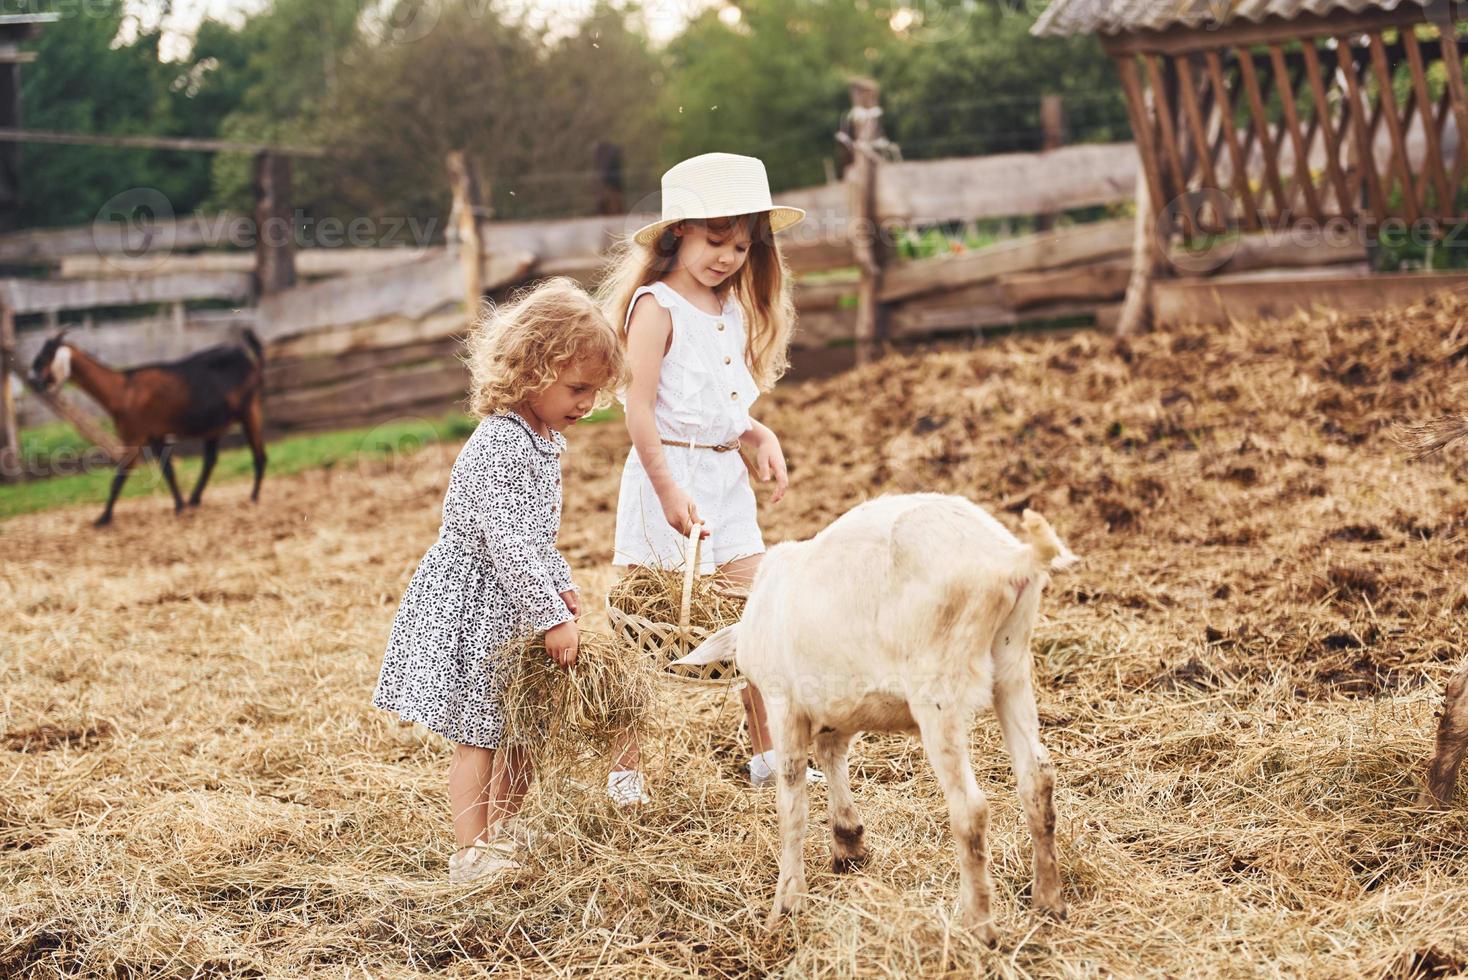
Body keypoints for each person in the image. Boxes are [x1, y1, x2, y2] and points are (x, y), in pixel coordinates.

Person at [372, 278, 626, 883]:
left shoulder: (541, 440)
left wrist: (561, 586)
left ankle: (505, 833)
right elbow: (508, 544)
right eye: (576, 387)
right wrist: (553, 619)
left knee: (521, 727)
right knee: (480, 732)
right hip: (475, 605)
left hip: (512, 604)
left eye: (595, 390)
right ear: (533, 368)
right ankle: (470, 850)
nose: (587, 402)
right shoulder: (501, 444)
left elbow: (536, 538)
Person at [598, 152, 823, 791]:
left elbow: (717, 406)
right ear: (679, 233)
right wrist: (668, 489)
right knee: (641, 628)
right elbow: (639, 409)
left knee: (755, 617)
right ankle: (625, 773)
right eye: (714, 240)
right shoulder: (656, 306)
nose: (726, 257)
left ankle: (767, 758)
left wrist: (754, 431)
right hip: (661, 479)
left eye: (741, 246)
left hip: (725, 485)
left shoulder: (729, 308)